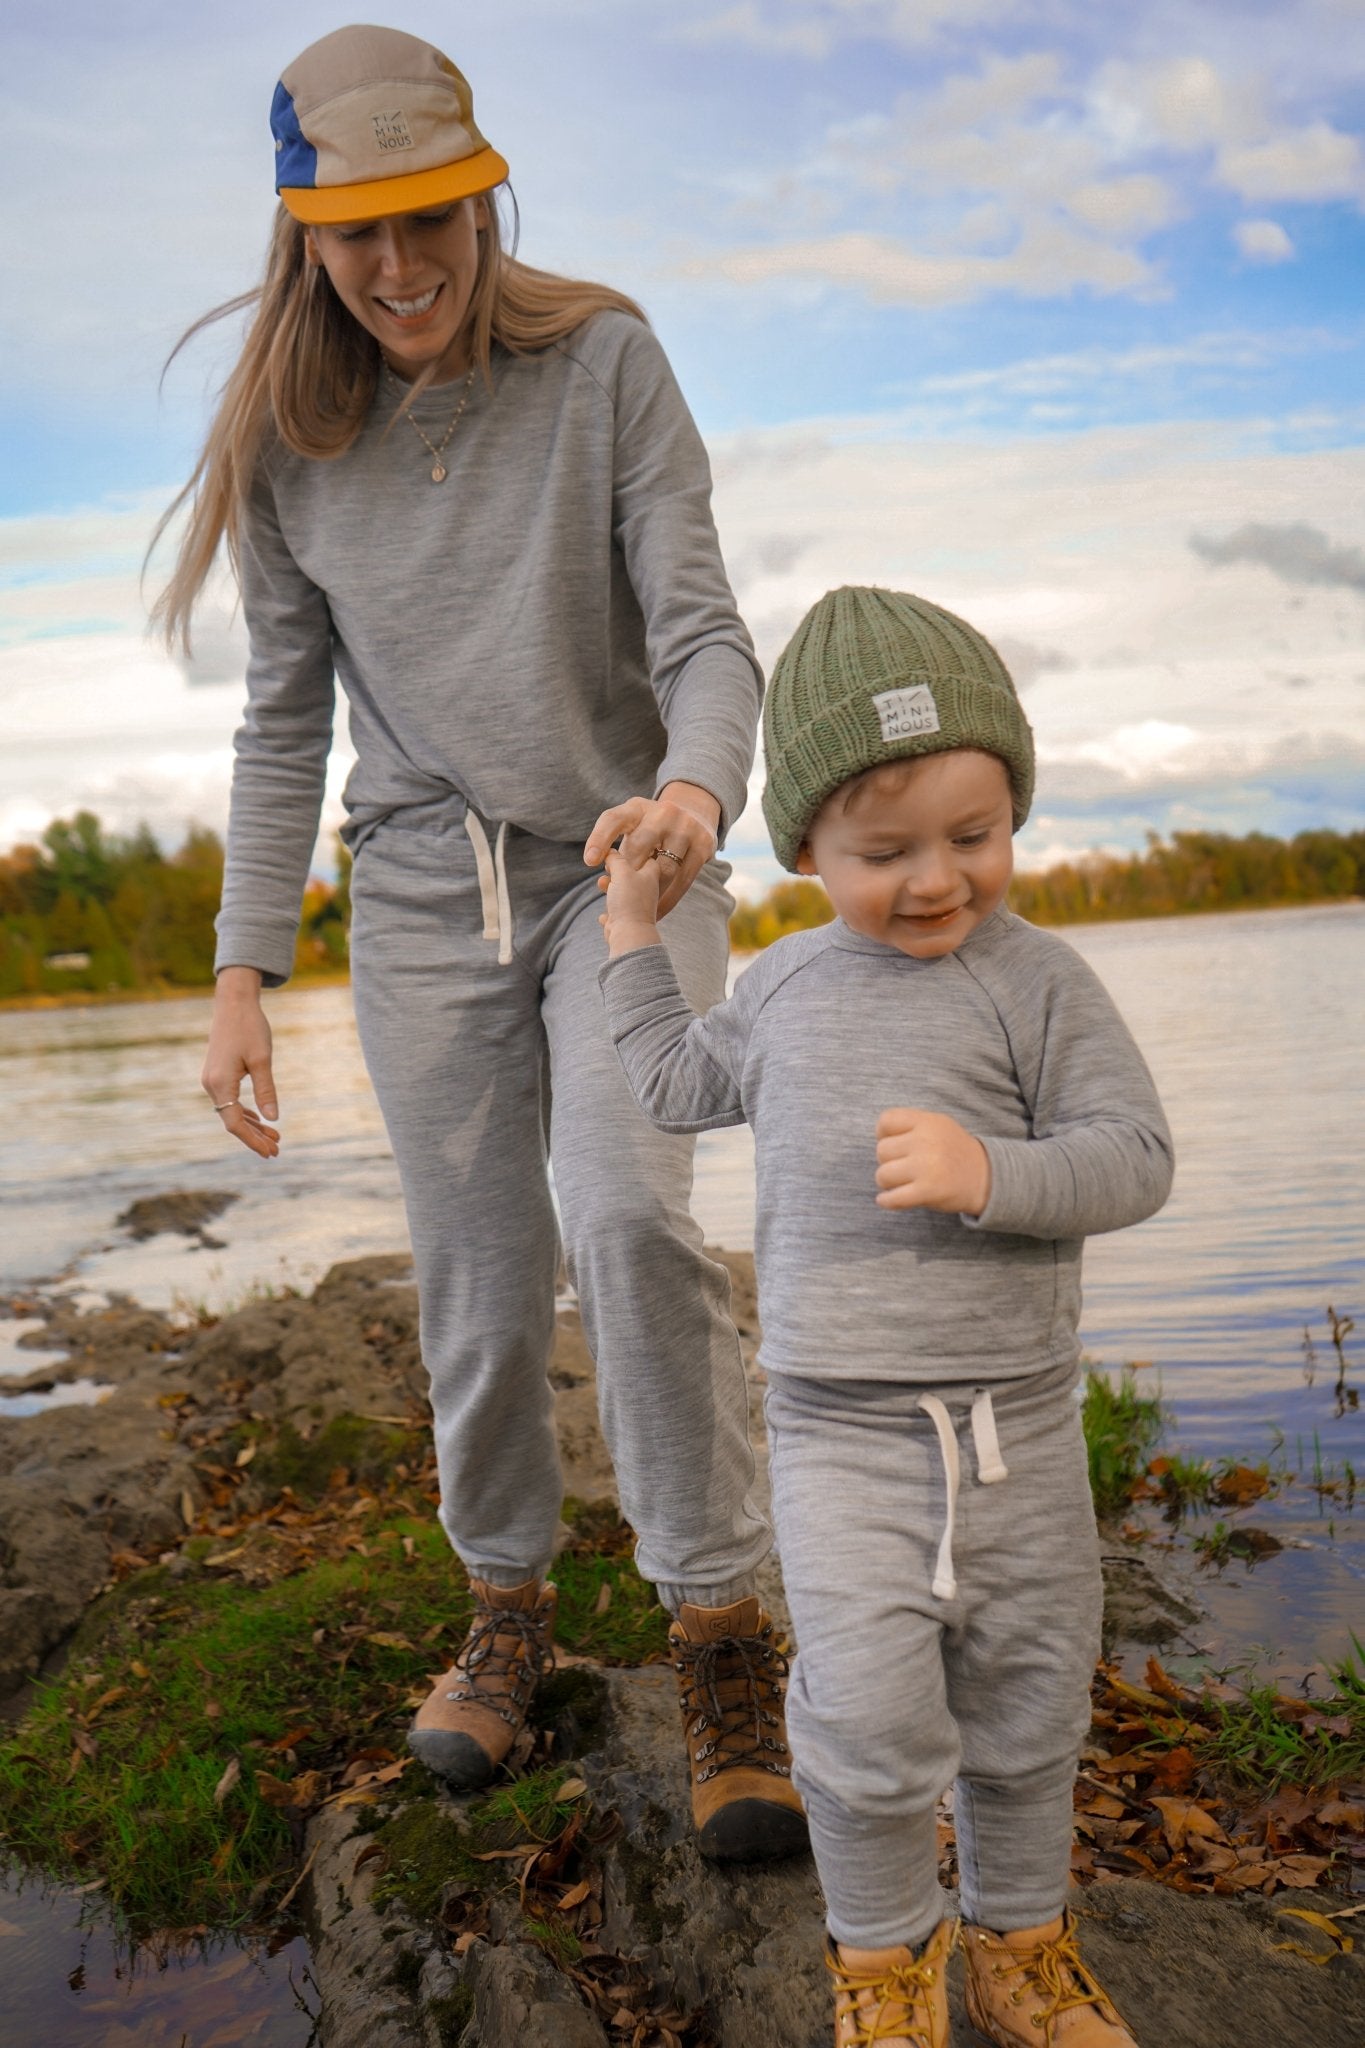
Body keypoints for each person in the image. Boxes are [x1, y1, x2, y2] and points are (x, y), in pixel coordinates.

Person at [154, 22, 806, 1862]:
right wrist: (238, 980)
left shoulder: (605, 359)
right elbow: (285, 723)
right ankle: (506, 1608)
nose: (400, 263)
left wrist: (691, 800)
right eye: (352, 230)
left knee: (627, 1217)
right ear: (301, 234)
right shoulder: (288, 440)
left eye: (428, 213)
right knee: (477, 1271)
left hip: (628, 870)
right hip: (428, 893)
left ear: (480, 190)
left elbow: (705, 632)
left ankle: (719, 1630)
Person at [599, 585, 1175, 2047]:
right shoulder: (782, 985)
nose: (936, 881)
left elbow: (1135, 1157)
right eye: (884, 851)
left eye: (972, 837)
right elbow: (669, 1085)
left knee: (1033, 1700)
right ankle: (880, 1969)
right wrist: (628, 935)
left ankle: (1018, 1947)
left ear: (1012, 811)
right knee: (859, 1723)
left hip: (1020, 1427)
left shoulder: (1038, 985)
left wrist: (996, 1174)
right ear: (803, 851)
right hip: (837, 1432)